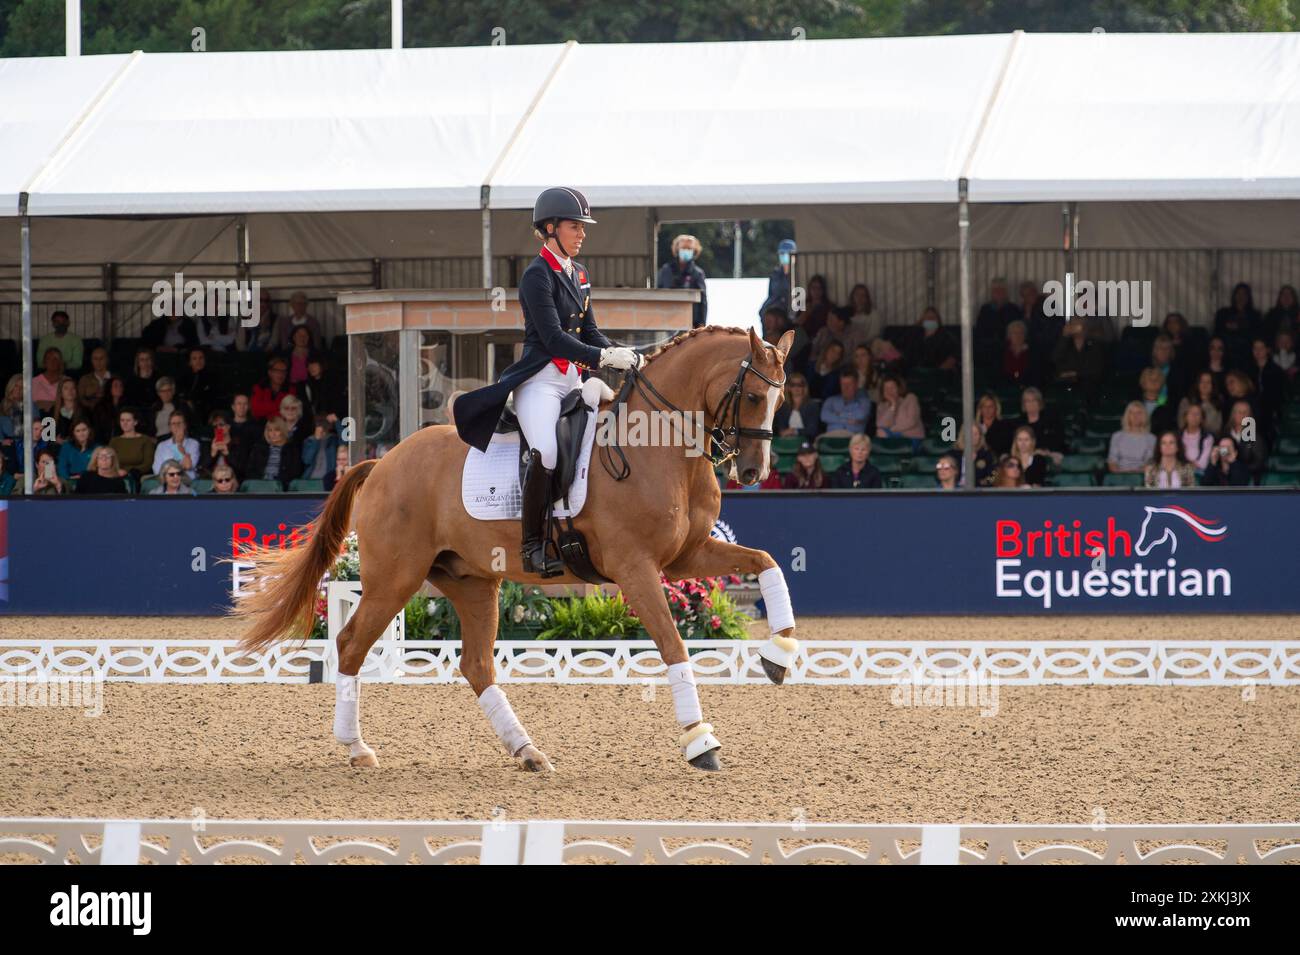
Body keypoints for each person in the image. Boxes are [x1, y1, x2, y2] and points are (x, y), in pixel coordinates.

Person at [453, 187, 642, 577]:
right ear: (551, 228)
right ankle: (532, 545)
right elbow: (555, 338)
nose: (582, 234)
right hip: (539, 381)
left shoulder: (580, 273)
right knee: (547, 452)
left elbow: (590, 332)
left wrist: (621, 355)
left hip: (573, 378)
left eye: (582, 227)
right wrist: (604, 358)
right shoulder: (536, 275)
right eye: (575, 226)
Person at [657, 234, 708, 328]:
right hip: (666, 320)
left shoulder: (698, 273)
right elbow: (658, 293)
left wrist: (701, 324)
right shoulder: (666, 270)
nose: (686, 251)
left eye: (689, 248)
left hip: (690, 322)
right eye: (684, 248)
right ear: (677, 249)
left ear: (694, 251)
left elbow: (703, 301)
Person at [1051, 318, 1105, 402]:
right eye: (1072, 324)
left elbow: (1096, 368)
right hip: (1066, 385)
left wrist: (1076, 373)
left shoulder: (1093, 344)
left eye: (1078, 324)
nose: (1075, 327)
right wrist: (1064, 337)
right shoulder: (1065, 343)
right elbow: (1055, 359)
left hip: (1088, 385)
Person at [245, 416, 304, 490]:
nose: (273, 434)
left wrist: (278, 484)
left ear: (283, 431)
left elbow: (295, 473)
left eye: (277, 430)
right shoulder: (258, 448)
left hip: (282, 489)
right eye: (270, 430)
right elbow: (250, 471)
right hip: (260, 486)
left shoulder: (292, 449)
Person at [1012, 387, 1064, 458]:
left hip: (1049, 455)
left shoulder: (1051, 420)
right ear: (1024, 404)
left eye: (1034, 400)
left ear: (1039, 402)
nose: (1031, 404)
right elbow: (1016, 445)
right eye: (1027, 401)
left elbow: (1058, 440)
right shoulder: (1018, 423)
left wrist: (1047, 452)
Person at [820, 368, 872, 437]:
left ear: (856, 385)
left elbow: (860, 415)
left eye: (849, 384)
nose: (846, 387)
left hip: (853, 439)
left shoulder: (864, 401)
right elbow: (824, 416)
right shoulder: (831, 400)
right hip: (831, 437)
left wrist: (838, 414)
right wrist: (847, 420)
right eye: (843, 384)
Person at [1108, 402, 1156, 474]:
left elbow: (1149, 463)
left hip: (1141, 476)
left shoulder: (1151, 438)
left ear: (1144, 416)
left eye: (1139, 413)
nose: (1135, 416)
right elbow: (1112, 462)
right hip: (1119, 475)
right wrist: (1122, 474)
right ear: (1127, 416)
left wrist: (1135, 475)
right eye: (1131, 413)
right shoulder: (1117, 436)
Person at [109, 410, 156, 482]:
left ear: (135, 422)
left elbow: (148, 463)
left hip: (138, 476)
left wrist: (129, 472)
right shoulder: (114, 441)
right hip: (117, 475)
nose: (125, 423)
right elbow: (110, 460)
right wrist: (118, 471)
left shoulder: (145, 440)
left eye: (128, 420)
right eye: (122, 420)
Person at [152, 412, 201, 481]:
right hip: (166, 481)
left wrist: (179, 444)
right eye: (173, 424)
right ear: (170, 427)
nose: (176, 426)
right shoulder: (162, 446)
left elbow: (190, 466)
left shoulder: (194, 444)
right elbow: (156, 469)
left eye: (179, 423)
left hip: (187, 481)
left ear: (185, 425)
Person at [875, 374, 924, 441]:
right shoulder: (882, 405)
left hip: (911, 436)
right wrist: (893, 406)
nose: (889, 391)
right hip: (892, 436)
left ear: (899, 388)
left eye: (892, 387)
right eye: (886, 388)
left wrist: (892, 428)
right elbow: (880, 424)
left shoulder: (910, 398)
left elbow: (911, 421)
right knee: (880, 432)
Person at [773, 373, 821, 441]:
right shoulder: (782, 406)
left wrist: (794, 431)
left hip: (806, 442)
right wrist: (784, 433)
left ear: (804, 387)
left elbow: (812, 430)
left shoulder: (812, 405)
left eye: (800, 385)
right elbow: (781, 430)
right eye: (793, 385)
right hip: (785, 441)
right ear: (788, 387)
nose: (796, 388)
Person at [177, 347, 219, 423]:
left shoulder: (212, 377)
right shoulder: (183, 377)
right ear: (190, 362)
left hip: (206, 413)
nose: (198, 361)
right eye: (194, 359)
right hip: (188, 412)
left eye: (201, 358)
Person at [759, 238, 796, 322]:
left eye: (787, 254)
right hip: (774, 310)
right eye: (782, 254)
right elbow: (771, 295)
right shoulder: (775, 274)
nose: (784, 257)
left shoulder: (799, 274)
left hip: (790, 311)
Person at [1178, 371, 1225, 438]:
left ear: (1213, 385)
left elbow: (1217, 427)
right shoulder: (1186, 402)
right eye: (1202, 381)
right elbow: (1181, 424)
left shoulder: (1217, 402)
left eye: (1208, 382)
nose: (1204, 384)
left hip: (1211, 438)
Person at [955, 421, 996, 487]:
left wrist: (981, 484)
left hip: (979, 492)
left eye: (976, 434)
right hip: (955, 492)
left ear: (980, 436)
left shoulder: (987, 455)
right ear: (963, 435)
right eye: (970, 433)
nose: (972, 437)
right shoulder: (954, 454)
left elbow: (993, 476)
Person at [1137, 367, 1176, 435]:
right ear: (1143, 383)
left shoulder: (1168, 404)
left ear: (1161, 383)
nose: (1153, 382)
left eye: (1157, 379)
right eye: (1150, 379)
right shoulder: (1136, 403)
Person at [1180, 403, 1215, 475]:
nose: (1194, 416)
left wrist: (1189, 465)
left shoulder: (1207, 437)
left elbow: (1203, 464)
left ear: (1202, 419)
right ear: (1185, 417)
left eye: (1197, 414)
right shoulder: (1178, 436)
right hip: (1179, 471)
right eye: (1191, 413)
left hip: (1199, 473)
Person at [975, 392, 1014, 456]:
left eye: (991, 406)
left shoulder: (1005, 426)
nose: (987, 409)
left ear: (996, 408)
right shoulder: (974, 427)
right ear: (980, 409)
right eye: (984, 406)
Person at [77, 346, 113, 412]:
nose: (98, 362)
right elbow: (80, 399)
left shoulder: (114, 378)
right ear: (91, 361)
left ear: (107, 359)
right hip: (89, 412)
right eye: (95, 359)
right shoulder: (84, 379)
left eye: (101, 358)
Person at [1001, 320, 1037, 387]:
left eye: (1021, 333)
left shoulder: (1032, 353)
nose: (1018, 336)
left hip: (1026, 387)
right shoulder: (1002, 352)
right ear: (1009, 336)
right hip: (1005, 387)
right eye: (1015, 333)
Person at [32, 348, 65, 413]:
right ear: (44, 362)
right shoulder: (34, 381)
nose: (52, 362)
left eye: (55, 359)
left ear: (60, 362)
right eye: (48, 358)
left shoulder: (67, 381)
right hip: (37, 418)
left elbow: (69, 408)